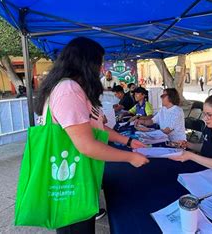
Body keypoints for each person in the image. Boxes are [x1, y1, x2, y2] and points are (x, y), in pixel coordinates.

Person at [35, 37, 149, 234]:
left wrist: (129, 141)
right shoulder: (68, 89)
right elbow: (87, 145)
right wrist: (130, 157)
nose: (101, 69)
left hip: (81, 174)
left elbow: (96, 129)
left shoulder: (74, 88)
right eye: (99, 63)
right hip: (70, 180)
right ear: (86, 63)